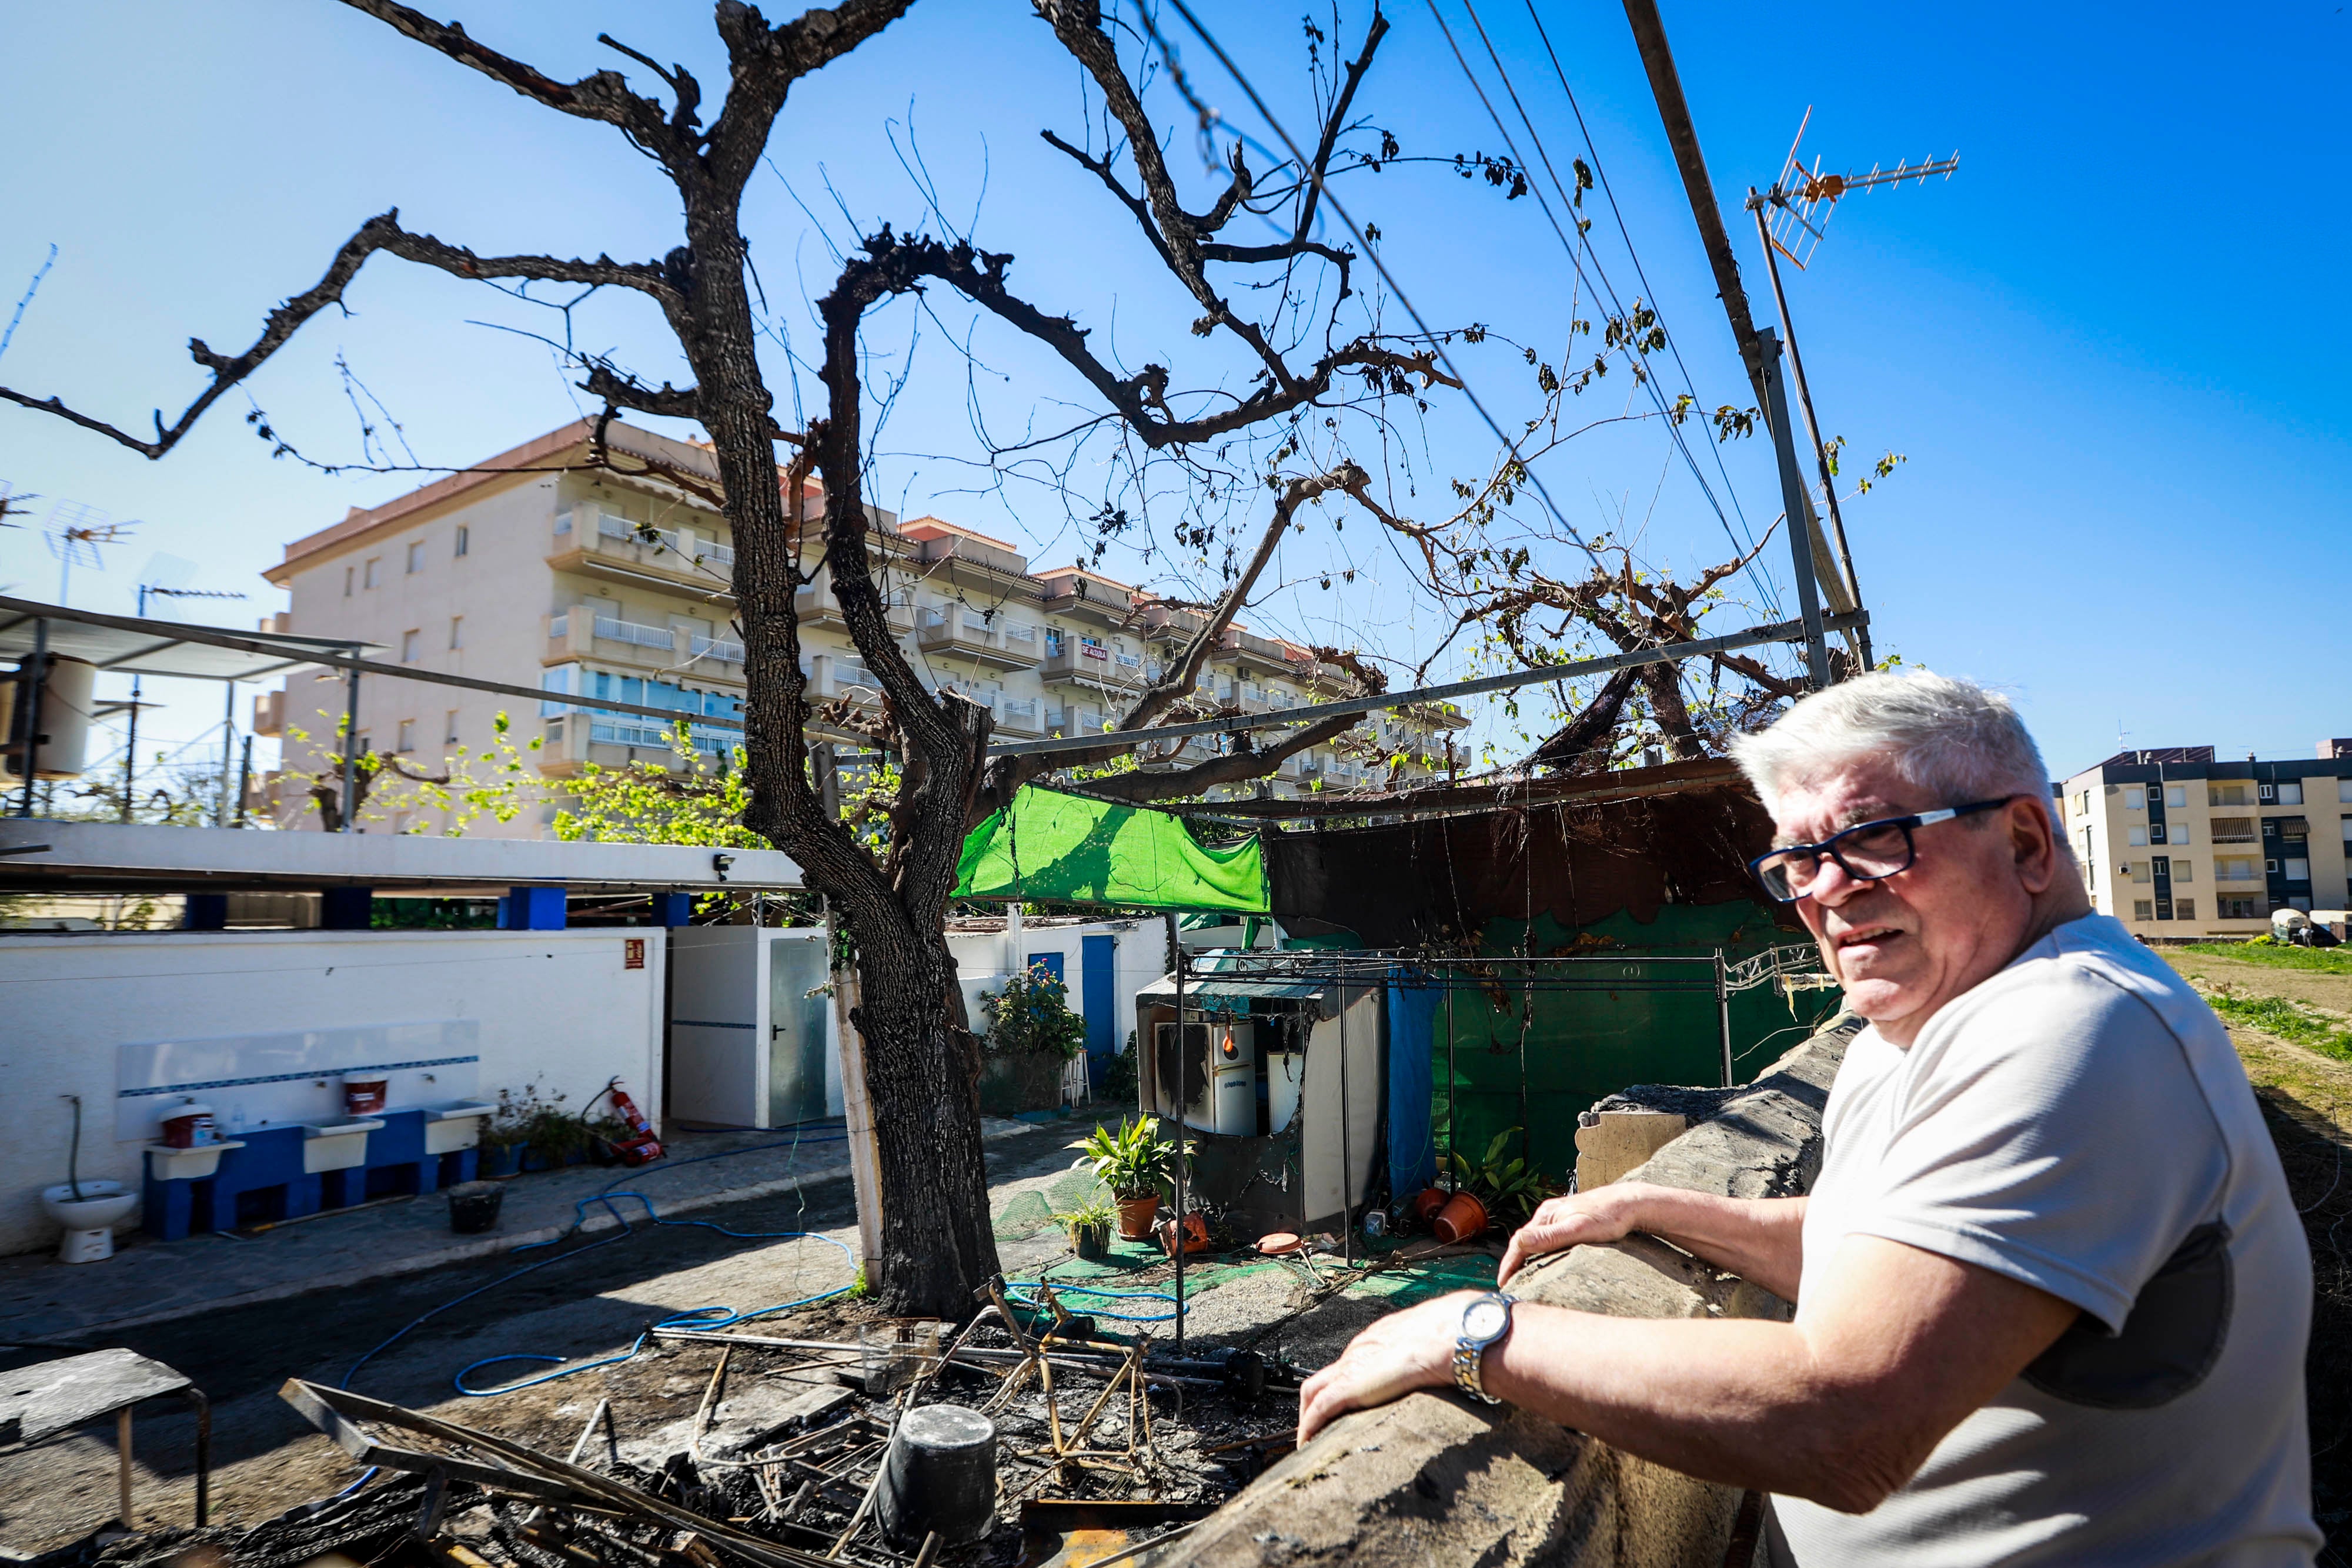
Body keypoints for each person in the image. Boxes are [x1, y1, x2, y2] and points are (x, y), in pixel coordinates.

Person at [1298, 673, 2318, 1565]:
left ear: (2024, 841)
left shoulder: (2076, 1026)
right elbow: (1887, 1253)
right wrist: (1653, 1203)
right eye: (1797, 861)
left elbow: (1849, 1416)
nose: (1824, 893)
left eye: (1872, 841)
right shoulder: (1918, 1024)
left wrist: (1471, 1331)